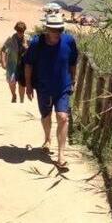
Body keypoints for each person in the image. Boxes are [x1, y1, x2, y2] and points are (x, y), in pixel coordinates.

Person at [23, 13, 78, 170]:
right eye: (53, 29)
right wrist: (28, 85)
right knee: (46, 116)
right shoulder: (36, 43)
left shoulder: (69, 41)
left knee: (63, 117)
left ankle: (61, 154)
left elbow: (73, 62)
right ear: (46, 28)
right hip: (43, 88)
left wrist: (73, 80)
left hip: (63, 87)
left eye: (59, 29)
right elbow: (28, 65)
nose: (57, 32)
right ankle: (47, 138)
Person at [1, 21, 28, 103]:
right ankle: (14, 95)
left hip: (23, 66)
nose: (20, 33)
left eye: (22, 31)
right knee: (11, 82)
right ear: (16, 30)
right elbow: (3, 50)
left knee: (22, 85)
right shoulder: (10, 39)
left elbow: (31, 52)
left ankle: (22, 101)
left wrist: (25, 46)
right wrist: (3, 61)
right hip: (12, 65)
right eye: (19, 31)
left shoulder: (27, 39)